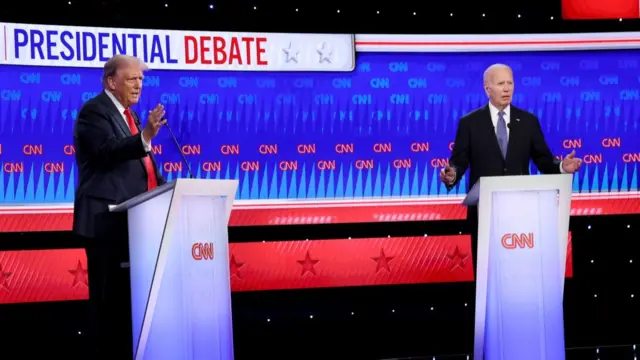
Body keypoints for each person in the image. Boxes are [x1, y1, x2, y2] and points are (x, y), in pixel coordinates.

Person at [440, 63, 582, 350]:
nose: (507, 89)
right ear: (487, 88)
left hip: (522, 217)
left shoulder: (527, 121)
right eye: (501, 84)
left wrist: (560, 166)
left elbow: (543, 160)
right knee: (490, 282)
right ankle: (491, 343)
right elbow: (459, 160)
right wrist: (451, 174)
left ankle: (525, 337)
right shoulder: (470, 122)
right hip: (486, 216)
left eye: (510, 84)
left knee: (521, 281)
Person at [72, 54, 167, 359]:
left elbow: (141, 167)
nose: (138, 85)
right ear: (111, 81)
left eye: (141, 79)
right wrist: (146, 136)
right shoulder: (94, 112)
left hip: (135, 225)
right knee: (107, 305)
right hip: (105, 224)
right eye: (131, 79)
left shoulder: (131, 117)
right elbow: (106, 151)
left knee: (128, 306)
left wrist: (169, 191)